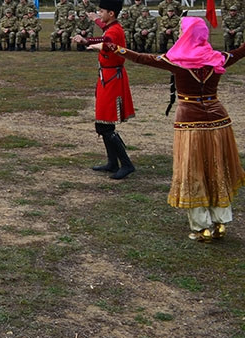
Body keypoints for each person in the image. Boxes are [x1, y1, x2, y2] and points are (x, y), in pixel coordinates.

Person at [97, 17, 245, 241]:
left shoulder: (177, 60)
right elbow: (241, 51)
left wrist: (114, 48)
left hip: (191, 123)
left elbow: (140, 57)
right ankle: (220, 222)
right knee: (217, 167)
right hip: (219, 121)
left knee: (194, 171)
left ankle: (202, 227)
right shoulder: (218, 57)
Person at [72, 0, 136, 179]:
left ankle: (126, 164)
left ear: (111, 13)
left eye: (101, 11)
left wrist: (86, 41)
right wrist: (96, 20)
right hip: (107, 77)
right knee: (103, 123)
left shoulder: (114, 31)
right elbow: (105, 30)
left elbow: (107, 41)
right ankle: (112, 162)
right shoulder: (112, 26)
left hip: (112, 79)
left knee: (105, 125)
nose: (99, 14)